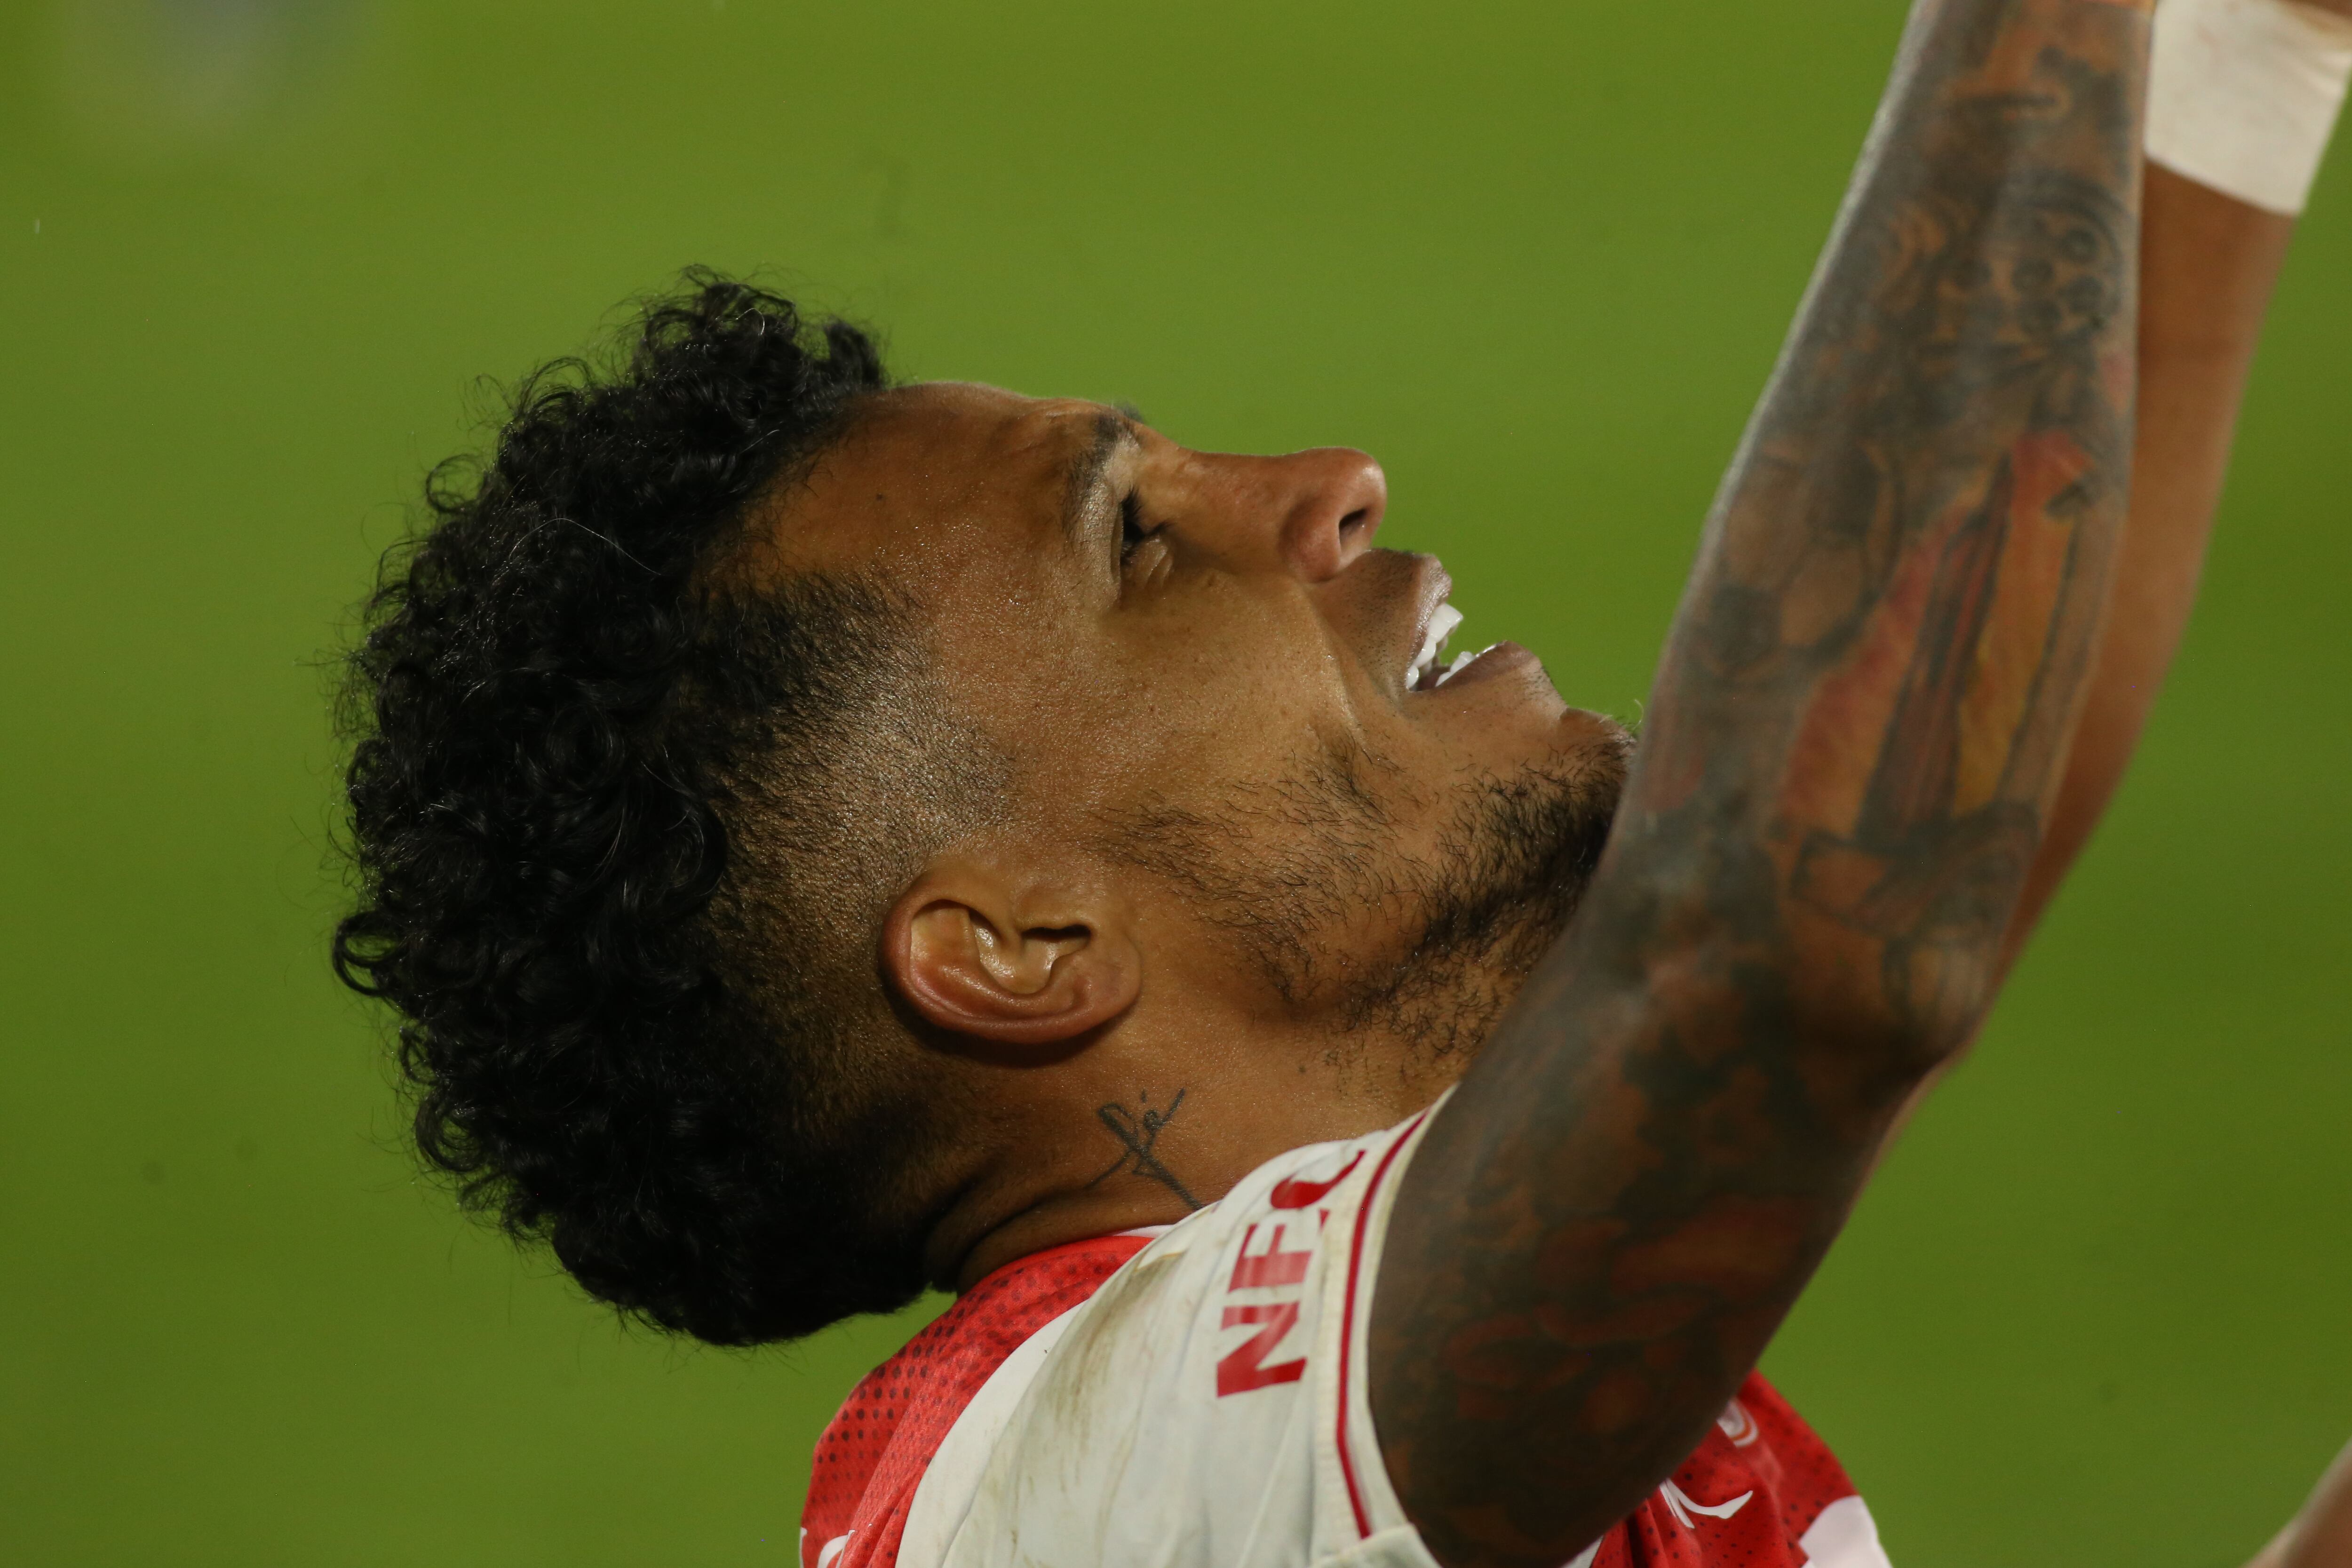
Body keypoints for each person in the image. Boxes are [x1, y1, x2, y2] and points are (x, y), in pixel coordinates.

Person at [330, 0, 2352, 1564]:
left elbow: (1925, 836)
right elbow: (1800, 945)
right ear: (1019, 946)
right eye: (1134, 539)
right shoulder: (1045, 1505)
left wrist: (2239, 52)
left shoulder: (1379, 1437)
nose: (1321, 487)